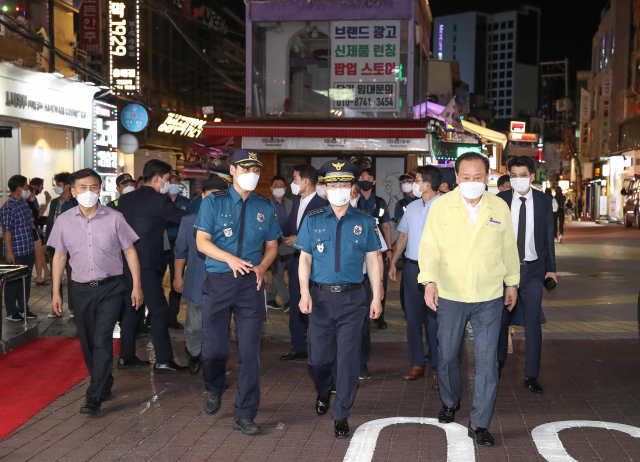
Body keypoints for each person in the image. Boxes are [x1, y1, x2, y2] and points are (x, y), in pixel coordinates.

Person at [419, 152, 519, 446]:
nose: (472, 182)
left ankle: (480, 423)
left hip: (488, 295)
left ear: (487, 178)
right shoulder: (441, 207)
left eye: (478, 178)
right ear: (456, 178)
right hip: (450, 293)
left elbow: (509, 249)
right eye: (466, 178)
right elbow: (429, 246)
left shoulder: (499, 207)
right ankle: (450, 401)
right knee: (447, 353)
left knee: (487, 361)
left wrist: (512, 283)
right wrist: (429, 280)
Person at [195, 149, 281, 435]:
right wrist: (228, 258)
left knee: (249, 353)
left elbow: (272, 245)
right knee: (213, 351)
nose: (251, 174)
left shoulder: (265, 207)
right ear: (232, 171)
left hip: (250, 286)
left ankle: (245, 413)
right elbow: (202, 243)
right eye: (245, 168)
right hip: (219, 282)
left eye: (255, 169)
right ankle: (214, 386)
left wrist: (263, 267)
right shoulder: (214, 203)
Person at [295, 159, 382, 439]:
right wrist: (304, 292)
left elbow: (374, 259)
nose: (338, 189)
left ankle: (341, 413)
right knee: (318, 360)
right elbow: (304, 259)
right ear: (325, 188)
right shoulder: (313, 219)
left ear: (352, 188)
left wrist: (377, 297)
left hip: (352, 299)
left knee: (347, 359)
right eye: (333, 184)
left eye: (343, 184)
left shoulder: (366, 222)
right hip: (319, 298)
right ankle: (323, 389)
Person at [47, 169, 143, 415]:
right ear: (72, 189)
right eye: (83, 187)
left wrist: (136, 285)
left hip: (111, 288)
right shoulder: (64, 221)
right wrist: (56, 292)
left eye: (93, 187)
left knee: (102, 339)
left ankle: (94, 396)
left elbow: (130, 252)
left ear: (100, 189)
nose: (88, 192)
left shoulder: (114, 217)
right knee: (89, 342)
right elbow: (59, 257)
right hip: (80, 290)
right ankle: (104, 381)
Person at [117, 159, 189, 373]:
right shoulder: (161, 200)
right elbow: (184, 218)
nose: (168, 184)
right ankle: (164, 359)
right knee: (159, 310)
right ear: (157, 178)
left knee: (132, 308)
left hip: (125, 262)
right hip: (147, 264)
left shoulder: (126, 199)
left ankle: (126, 356)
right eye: (167, 179)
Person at [496, 156, 557, 394]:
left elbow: (548, 237)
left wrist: (551, 268)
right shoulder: (499, 200)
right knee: (500, 321)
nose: (518, 179)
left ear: (532, 176)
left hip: (532, 269)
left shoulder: (543, 201)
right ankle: (498, 362)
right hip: (504, 270)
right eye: (513, 175)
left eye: (523, 175)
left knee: (533, 324)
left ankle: (532, 375)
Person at [389, 165, 442, 389]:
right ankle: (417, 363)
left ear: (427, 184)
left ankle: (440, 368)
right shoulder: (410, 207)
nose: (414, 184)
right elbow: (403, 236)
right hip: (412, 268)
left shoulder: (445, 206)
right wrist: (393, 262)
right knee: (413, 318)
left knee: (436, 320)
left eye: (417, 180)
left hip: (438, 270)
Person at [173, 175, 229, 375]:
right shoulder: (189, 221)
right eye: (209, 194)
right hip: (197, 279)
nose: (213, 198)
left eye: (218, 194)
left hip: (223, 281)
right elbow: (181, 251)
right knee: (194, 323)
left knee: (218, 323)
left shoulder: (232, 221)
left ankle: (214, 356)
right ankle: (194, 353)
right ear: (202, 196)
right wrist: (178, 276)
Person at [278, 164, 327, 361]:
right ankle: (298, 346)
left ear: (305, 182)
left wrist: (299, 239)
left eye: (295, 179)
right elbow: (289, 226)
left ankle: (317, 349)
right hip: (297, 262)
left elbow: (322, 236)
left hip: (316, 265)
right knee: (296, 306)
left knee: (315, 307)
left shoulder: (322, 205)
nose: (292, 183)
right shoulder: (297, 203)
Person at [350, 180, 386, 380]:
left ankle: (362, 363)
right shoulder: (322, 218)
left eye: (351, 193)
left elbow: (377, 256)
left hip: (360, 281)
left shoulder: (367, 221)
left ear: (356, 197)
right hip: (332, 283)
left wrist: (378, 286)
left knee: (362, 325)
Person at [358, 167, 392, 330]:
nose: (365, 180)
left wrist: (389, 249)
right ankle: (363, 314)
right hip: (358, 247)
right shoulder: (354, 200)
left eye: (368, 178)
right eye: (362, 177)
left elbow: (386, 226)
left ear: (374, 182)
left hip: (377, 246)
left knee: (380, 281)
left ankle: (380, 316)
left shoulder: (379, 202)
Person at [1, 175, 37, 322]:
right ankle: (11, 311)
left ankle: (23, 308)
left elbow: (31, 223)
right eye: (26, 187)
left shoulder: (23, 204)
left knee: (25, 282)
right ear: (19, 189)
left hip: (28, 249)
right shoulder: (8, 207)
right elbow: (6, 231)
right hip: (16, 252)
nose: (28, 190)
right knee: (13, 283)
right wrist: (10, 251)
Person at [45, 172, 78, 318]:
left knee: (73, 277)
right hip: (56, 245)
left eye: (59, 185)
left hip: (73, 246)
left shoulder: (76, 202)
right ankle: (56, 306)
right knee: (55, 276)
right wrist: (47, 242)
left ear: (67, 186)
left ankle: (73, 308)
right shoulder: (54, 202)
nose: (56, 188)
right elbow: (50, 223)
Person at [164, 171, 189, 329]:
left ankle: (172, 317)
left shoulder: (186, 202)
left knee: (177, 279)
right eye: (171, 182)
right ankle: (154, 316)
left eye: (176, 182)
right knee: (155, 279)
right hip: (162, 244)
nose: (174, 185)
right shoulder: (161, 201)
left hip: (179, 245)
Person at [266, 175, 293, 310]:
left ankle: (270, 298)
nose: (278, 188)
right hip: (272, 243)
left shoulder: (290, 203)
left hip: (289, 243)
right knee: (277, 273)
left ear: (285, 188)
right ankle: (287, 302)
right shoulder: (265, 204)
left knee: (281, 271)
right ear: (271, 188)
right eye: (275, 186)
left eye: (281, 186)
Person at [26, 185, 51, 286]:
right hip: (33, 230)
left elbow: (37, 215)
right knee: (38, 254)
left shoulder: (30, 203)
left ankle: (41, 275)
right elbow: (36, 216)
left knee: (39, 253)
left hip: (35, 229)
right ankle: (40, 277)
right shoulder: (27, 204)